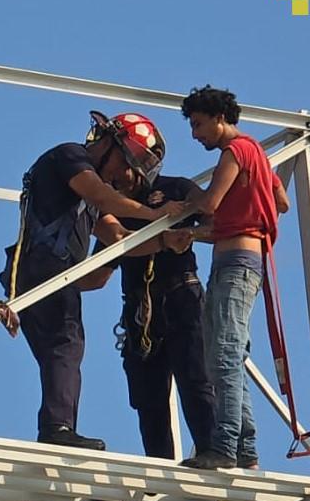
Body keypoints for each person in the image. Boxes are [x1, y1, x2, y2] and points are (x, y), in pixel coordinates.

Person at [0, 111, 186, 451]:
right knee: (65, 345)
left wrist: (163, 241)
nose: (125, 178)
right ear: (109, 144)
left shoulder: (91, 192)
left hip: (50, 273)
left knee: (64, 349)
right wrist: (154, 213)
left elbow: (117, 237)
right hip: (43, 267)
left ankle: (58, 425)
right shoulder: (70, 157)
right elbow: (102, 197)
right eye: (126, 165)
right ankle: (57, 428)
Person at [176, 86, 290, 469]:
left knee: (223, 354)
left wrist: (182, 204)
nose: (195, 134)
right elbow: (282, 203)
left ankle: (225, 447)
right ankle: (245, 448)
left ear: (219, 118)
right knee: (226, 352)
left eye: (199, 124)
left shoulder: (236, 151)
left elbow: (209, 203)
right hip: (241, 259)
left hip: (236, 264)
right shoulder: (257, 152)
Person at [79, 173, 217, 461]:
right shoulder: (116, 208)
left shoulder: (174, 188)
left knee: (195, 377)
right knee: (148, 397)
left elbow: (214, 218)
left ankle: (210, 449)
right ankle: (160, 464)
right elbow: (98, 274)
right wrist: (55, 281)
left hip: (180, 295)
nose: (119, 175)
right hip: (140, 311)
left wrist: (191, 233)